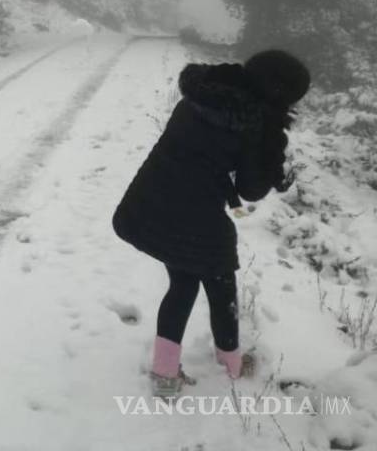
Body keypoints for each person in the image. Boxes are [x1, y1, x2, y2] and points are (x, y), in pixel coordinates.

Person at [112, 50, 310, 398]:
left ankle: (166, 371)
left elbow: (199, 151)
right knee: (220, 284)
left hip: (150, 199)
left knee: (184, 282)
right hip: (195, 214)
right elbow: (251, 189)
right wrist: (273, 161)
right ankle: (231, 364)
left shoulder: (202, 92)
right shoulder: (256, 125)